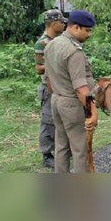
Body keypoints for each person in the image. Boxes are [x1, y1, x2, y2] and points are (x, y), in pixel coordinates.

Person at [44, 10, 98, 173]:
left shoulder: (52, 44)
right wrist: (92, 111)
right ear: (75, 27)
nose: (89, 34)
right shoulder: (74, 51)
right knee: (80, 149)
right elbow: (81, 88)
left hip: (57, 100)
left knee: (62, 146)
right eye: (87, 30)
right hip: (72, 104)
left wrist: (58, 96)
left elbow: (49, 79)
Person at [34, 9, 66, 169]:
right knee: (48, 121)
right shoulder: (42, 42)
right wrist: (55, 64)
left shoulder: (61, 39)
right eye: (61, 22)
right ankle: (46, 155)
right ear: (54, 23)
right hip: (48, 87)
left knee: (62, 119)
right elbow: (38, 68)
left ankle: (63, 150)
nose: (63, 25)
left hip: (61, 86)